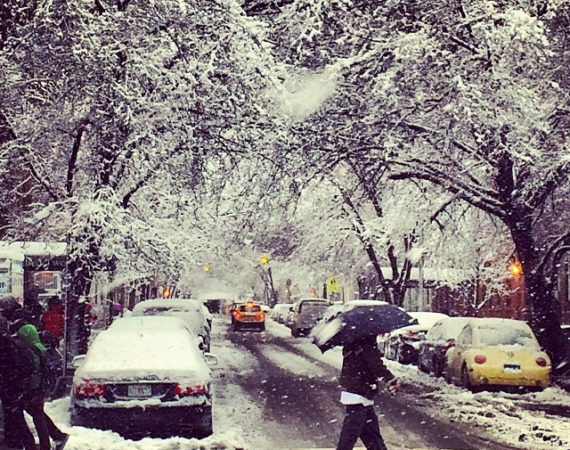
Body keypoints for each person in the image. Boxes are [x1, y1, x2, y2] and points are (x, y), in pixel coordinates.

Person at [336, 336, 401, 450]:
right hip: (360, 390)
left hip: (358, 389)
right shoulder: (366, 340)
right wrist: (390, 378)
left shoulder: (354, 339)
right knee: (350, 436)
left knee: (371, 435)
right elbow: (374, 363)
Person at [17, 324, 69, 450]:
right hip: (41, 388)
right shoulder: (40, 348)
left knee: (38, 418)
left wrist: (27, 388)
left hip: (34, 389)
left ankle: (47, 444)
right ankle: (58, 436)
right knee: (38, 414)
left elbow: (32, 372)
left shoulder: (31, 351)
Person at [0, 315, 36, 450]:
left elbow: (8, 366)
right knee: (14, 417)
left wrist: (10, 379)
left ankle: (20, 444)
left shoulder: (6, 346)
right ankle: (16, 443)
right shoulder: (15, 344)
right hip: (14, 387)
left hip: (9, 387)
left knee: (15, 418)